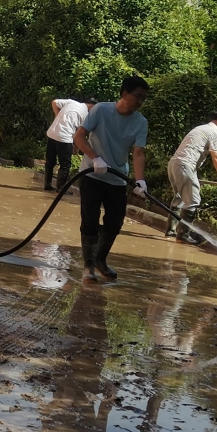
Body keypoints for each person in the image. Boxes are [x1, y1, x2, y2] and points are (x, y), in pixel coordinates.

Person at [73, 76, 150, 282]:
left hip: (117, 178)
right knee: (90, 221)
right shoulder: (101, 110)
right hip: (92, 174)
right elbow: (79, 136)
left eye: (144, 98)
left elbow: (138, 153)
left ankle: (100, 260)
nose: (140, 101)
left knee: (115, 223)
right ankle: (88, 266)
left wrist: (140, 180)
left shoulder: (141, 122)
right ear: (124, 93)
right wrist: (95, 158)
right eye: (138, 96)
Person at [165, 110, 217, 244]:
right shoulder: (215, 132)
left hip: (174, 164)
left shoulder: (201, 128)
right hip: (185, 165)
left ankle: (171, 231)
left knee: (180, 198)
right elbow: (216, 158)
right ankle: (183, 235)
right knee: (193, 200)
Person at [44, 97, 98, 192]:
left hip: (52, 133)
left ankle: (47, 185)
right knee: (65, 164)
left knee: (50, 162)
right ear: (92, 107)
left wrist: (57, 115)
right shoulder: (85, 115)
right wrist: (76, 148)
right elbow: (79, 134)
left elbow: (54, 102)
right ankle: (61, 188)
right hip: (64, 137)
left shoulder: (71, 102)